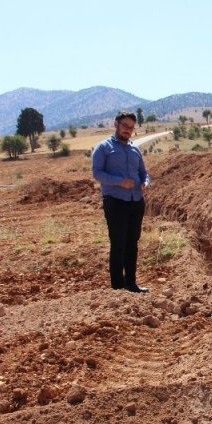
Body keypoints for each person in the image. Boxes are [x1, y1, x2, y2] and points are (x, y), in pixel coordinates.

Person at [92, 111, 151, 293]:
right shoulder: (103, 148)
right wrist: (119, 181)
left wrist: (146, 182)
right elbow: (97, 173)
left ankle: (131, 283)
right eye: (125, 126)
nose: (128, 131)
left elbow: (144, 173)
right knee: (118, 243)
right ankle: (117, 287)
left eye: (131, 128)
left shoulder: (134, 150)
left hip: (136, 201)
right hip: (115, 202)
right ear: (116, 124)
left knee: (132, 242)